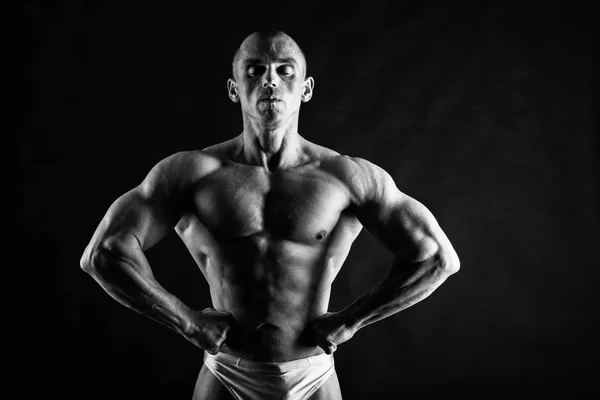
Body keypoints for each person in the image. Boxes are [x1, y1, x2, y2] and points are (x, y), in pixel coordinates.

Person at [80, 29, 460, 400]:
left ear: (306, 89)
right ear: (234, 90)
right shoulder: (192, 173)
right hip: (228, 372)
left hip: (312, 375)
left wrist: (351, 320)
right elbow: (104, 254)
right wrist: (187, 322)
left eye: (285, 70)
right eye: (255, 70)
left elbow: (436, 257)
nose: (270, 81)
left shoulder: (345, 176)